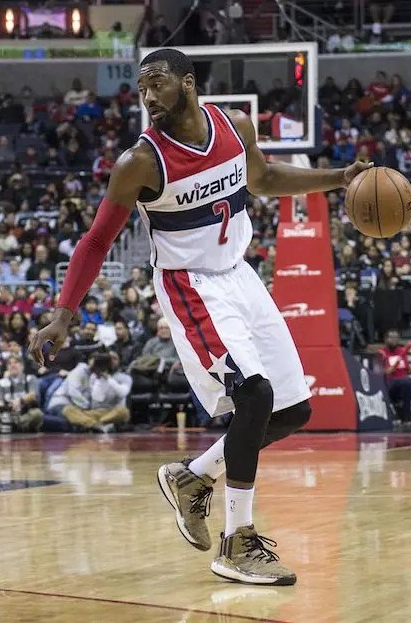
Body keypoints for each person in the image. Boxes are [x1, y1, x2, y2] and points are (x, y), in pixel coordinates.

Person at [29, 48, 368, 585]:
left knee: (292, 412)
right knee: (253, 394)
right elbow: (96, 240)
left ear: (188, 83)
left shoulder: (235, 126)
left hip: (241, 275)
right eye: (141, 88)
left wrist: (337, 178)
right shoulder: (140, 162)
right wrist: (63, 315)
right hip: (190, 284)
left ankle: (193, 478)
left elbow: (264, 178)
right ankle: (238, 543)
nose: (147, 96)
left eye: (157, 83)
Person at [0, 354, 42, 432]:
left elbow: (33, 395)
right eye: (9, 363)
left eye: (16, 362)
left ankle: (10, 427)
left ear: (22, 366)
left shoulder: (31, 379)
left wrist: (19, 401)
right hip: (7, 414)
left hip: (24, 413)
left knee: (37, 414)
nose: (13, 365)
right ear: (7, 367)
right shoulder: (1, 382)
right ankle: (5, 427)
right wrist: (0, 405)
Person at [379, 330, 411, 424]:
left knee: (408, 382)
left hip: (404, 381)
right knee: (405, 382)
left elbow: (408, 370)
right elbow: (376, 371)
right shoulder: (381, 353)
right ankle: (396, 412)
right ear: (386, 339)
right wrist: (386, 370)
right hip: (389, 381)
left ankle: (406, 417)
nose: (395, 340)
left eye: (396, 338)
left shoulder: (402, 352)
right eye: (392, 338)